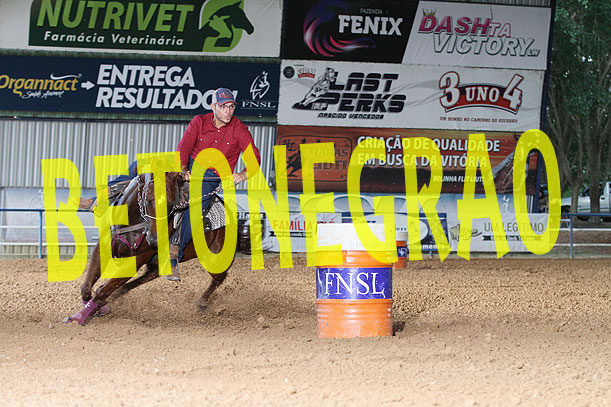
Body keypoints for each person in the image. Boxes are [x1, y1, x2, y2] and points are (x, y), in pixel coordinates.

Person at [169, 87, 261, 281]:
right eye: (223, 107)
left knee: (196, 207)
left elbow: (253, 156)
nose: (228, 111)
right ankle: (109, 196)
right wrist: (183, 168)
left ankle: (174, 253)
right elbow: (184, 146)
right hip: (190, 164)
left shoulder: (239, 129)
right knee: (145, 172)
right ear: (213, 107)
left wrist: (243, 174)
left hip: (211, 175)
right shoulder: (199, 121)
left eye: (231, 107)